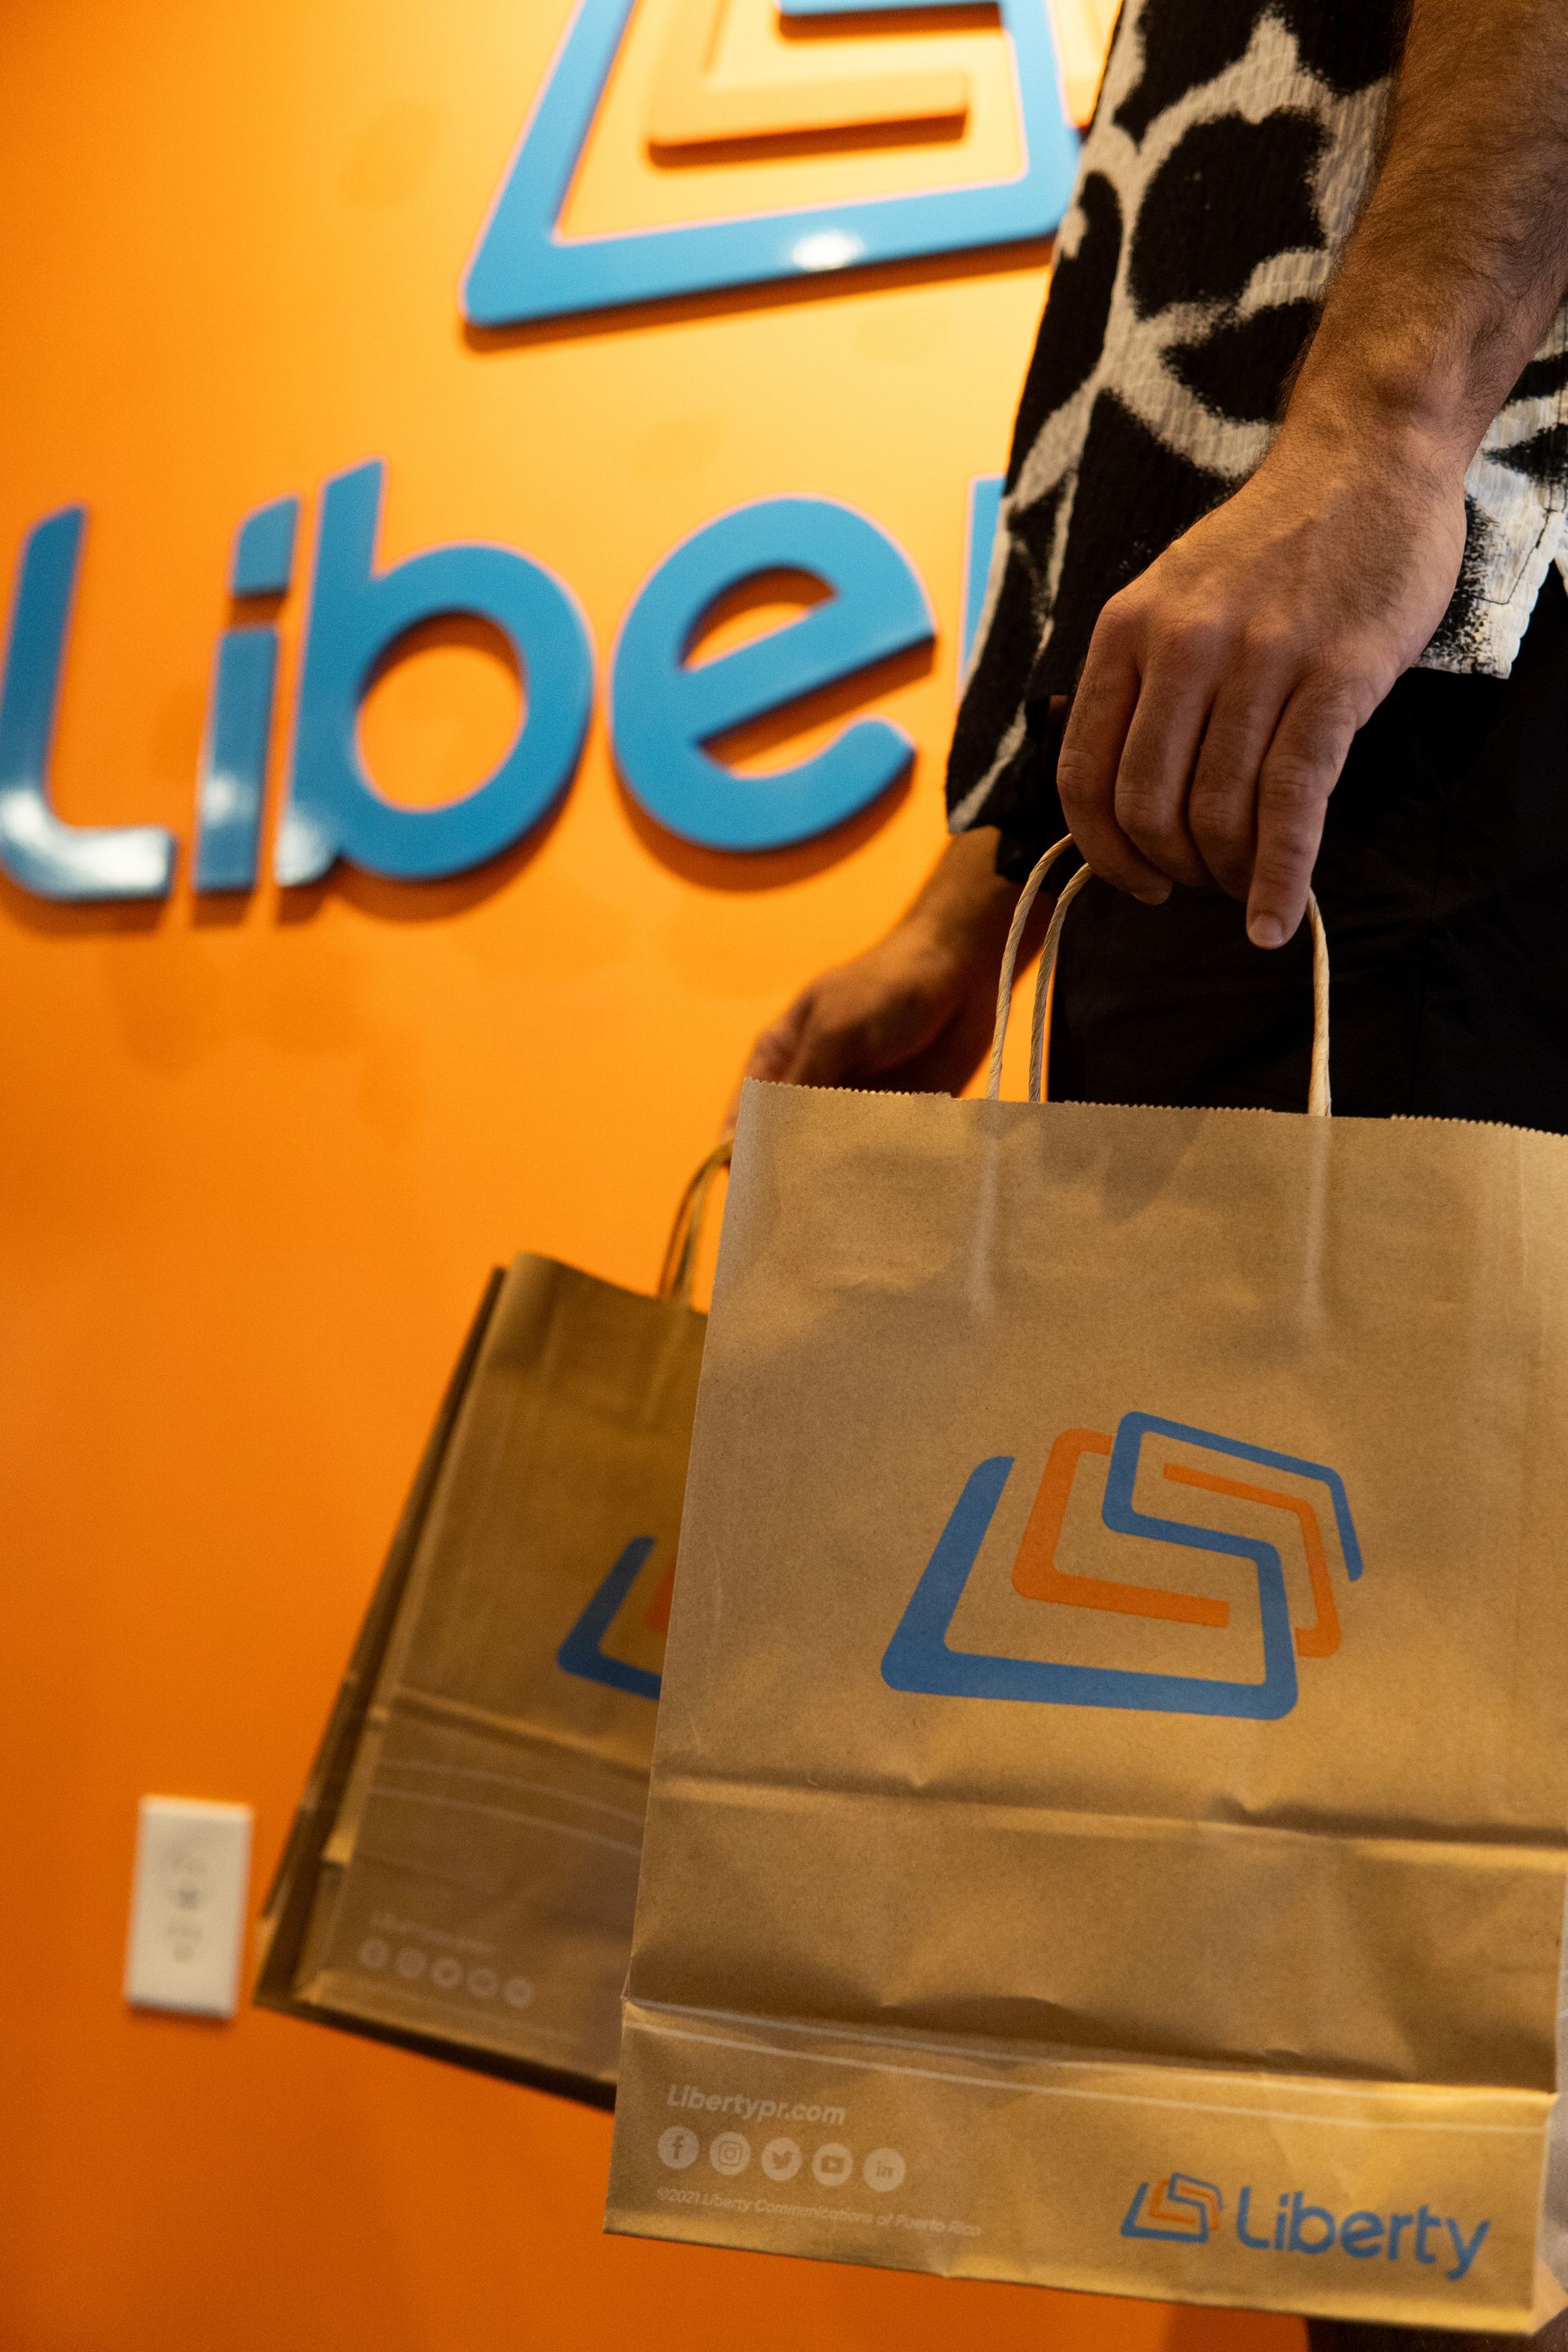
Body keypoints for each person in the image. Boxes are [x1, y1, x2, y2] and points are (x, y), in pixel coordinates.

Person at [744, 2, 1568, 2345]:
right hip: (1246, 747)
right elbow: (1132, 343)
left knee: (1458, 2005)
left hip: (1473, 650)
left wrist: (1390, 425)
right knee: (1352, 2070)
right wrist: (988, 864)